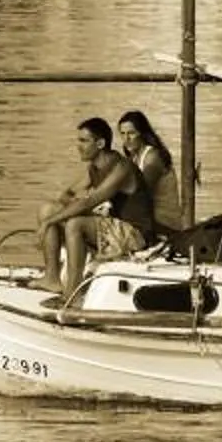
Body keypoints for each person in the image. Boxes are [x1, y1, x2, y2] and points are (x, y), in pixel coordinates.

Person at [41, 118, 152, 304]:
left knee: (74, 224)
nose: (78, 146)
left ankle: (72, 295)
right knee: (48, 209)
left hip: (135, 233)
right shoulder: (93, 168)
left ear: (100, 143)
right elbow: (67, 194)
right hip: (112, 226)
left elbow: (90, 201)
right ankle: (52, 278)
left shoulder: (121, 167)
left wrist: (51, 222)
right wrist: (64, 209)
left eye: (84, 141)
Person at [117, 110, 189, 234]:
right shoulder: (134, 157)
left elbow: (140, 193)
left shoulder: (153, 157)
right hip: (148, 219)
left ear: (142, 133)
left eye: (131, 133)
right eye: (122, 134)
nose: (126, 139)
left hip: (164, 224)